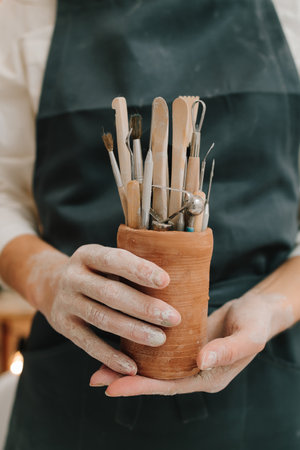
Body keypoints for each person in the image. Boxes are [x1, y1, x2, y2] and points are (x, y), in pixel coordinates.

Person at [0, 0, 300, 448]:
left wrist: (273, 306)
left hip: (266, 387)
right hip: (72, 392)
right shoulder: (21, 12)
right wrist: (46, 280)